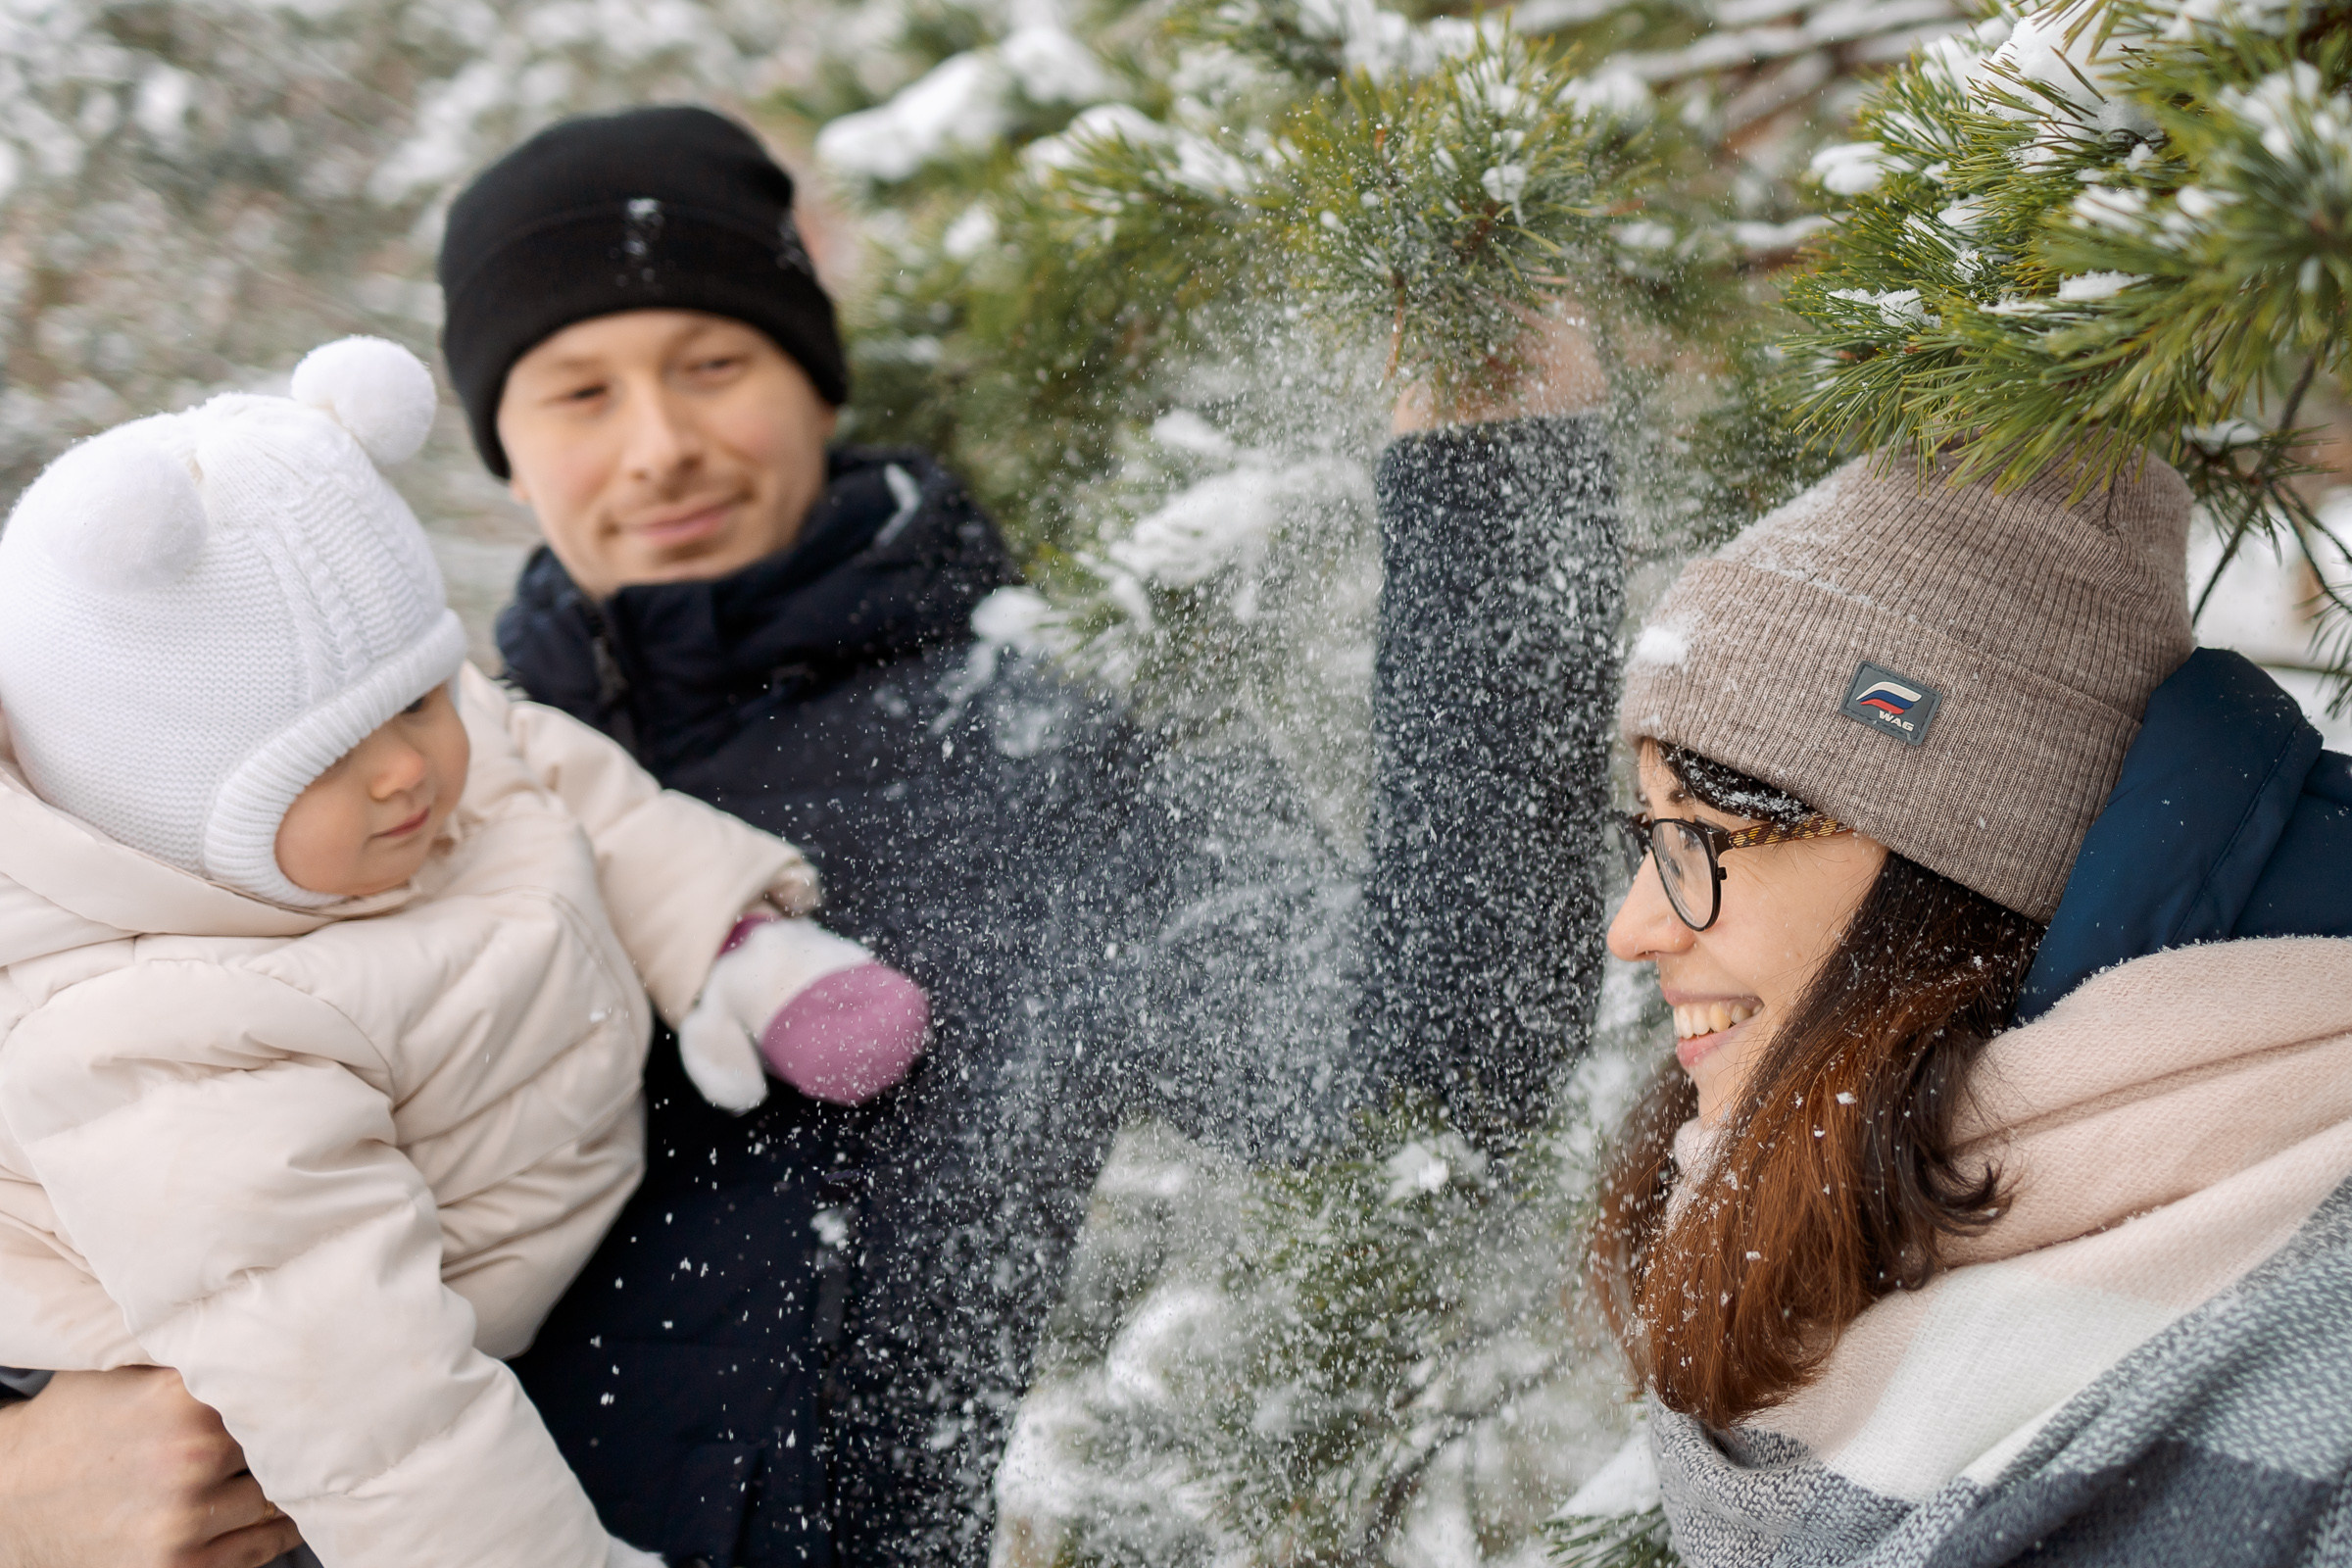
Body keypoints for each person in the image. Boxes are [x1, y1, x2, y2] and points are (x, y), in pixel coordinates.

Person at [0, 105, 1628, 1567]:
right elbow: (85, 1153)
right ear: (505, 449)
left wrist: (1497, 489)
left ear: (812, 376)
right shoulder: (367, 808)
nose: (659, 445)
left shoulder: (1044, 763)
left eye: (714, 363)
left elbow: (1443, 1042)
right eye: (578, 390)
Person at [0, 339, 928, 1566]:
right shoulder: (163, 1042)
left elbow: (571, 790)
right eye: (324, 758)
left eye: (418, 698)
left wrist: (737, 947)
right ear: (157, 799)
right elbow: (383, 1418)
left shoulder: (408, 759)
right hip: (266, 1441)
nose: (407, 767)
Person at [1576, 444, 2352, 1564]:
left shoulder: (2317, 1352)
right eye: (1646, 832)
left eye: (1698, 835)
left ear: (1942, 866)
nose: (1636, 925)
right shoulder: (1847, 1220)